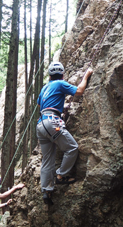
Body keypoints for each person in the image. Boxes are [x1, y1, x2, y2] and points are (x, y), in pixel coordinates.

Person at [36, 61, 93, 205]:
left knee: (47, 158)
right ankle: (61, 176)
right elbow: (79, 91)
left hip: (41, 124)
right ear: (62, 74)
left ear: (49, 75)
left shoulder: (44, 88)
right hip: (51, 121)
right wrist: (87, 75)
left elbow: (39, 104)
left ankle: (46, 190)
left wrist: (56, 104)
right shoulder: (60, 84)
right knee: (72, 148)